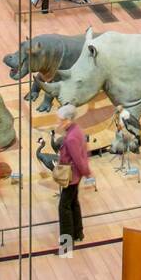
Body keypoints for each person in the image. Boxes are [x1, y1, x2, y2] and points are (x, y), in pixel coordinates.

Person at [56, 104, 92, 250]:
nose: (59, 123)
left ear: (68, 120)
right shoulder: (77, 130)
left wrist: (86, 171)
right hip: (77, 175)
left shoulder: (71, 138)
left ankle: (66, 244)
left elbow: (77, 158)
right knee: (73, 203)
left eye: (61, 120)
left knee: (64, 207)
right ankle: (78, 233)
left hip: (72, 176)